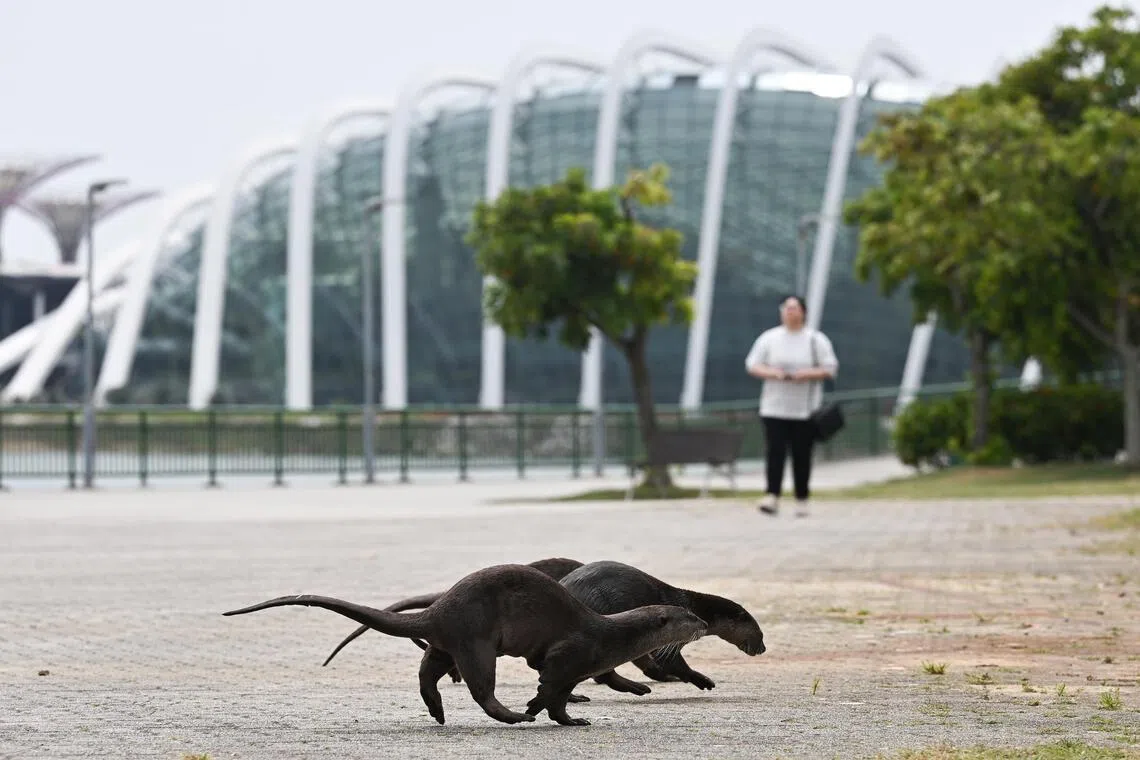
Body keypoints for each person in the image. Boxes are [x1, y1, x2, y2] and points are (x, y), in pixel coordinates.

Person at [744, 295, 838, 517]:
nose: (789, 312)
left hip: (805, 409)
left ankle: (801, 498)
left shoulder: (815, 340)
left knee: (801, 455)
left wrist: (805, 374)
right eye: (786, 308)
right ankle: (772, 495)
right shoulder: (770, 338)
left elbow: (830, 368)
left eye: (794, 308)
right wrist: (774, 373)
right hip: (774, 407)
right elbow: (752, 364)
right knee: (775, 452)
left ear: (803, 312)